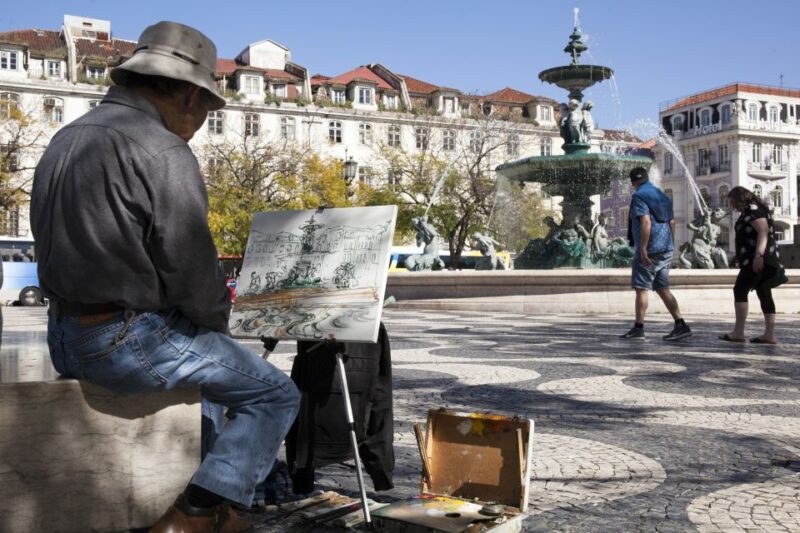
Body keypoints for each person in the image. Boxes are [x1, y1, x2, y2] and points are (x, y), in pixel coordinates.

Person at [30, 21, 300, 533]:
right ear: (184, 93)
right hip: (125, 341)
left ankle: (220, 505)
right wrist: (220, 321)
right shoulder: (161, 149)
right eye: (204, 107)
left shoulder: (67, 137)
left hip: (65, 335)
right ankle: (194, 516)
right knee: (273, 394)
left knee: (212, 379)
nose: (200, 122)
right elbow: (191, 270)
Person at [620, 167, 692, 341]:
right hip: (665, 248)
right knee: (662, 288)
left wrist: (643, 248)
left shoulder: (639, 196)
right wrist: (670, 244)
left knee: (641, 288)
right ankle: (681, 325)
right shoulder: (662, 195)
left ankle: (639, 328)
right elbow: (672, 223)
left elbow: (645, 222)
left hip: (649, 249)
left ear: (633, 183)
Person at [719, 186, 786, 344]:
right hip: (760, 258)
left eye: (733, 201)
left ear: (740, 198)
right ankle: (769, 335)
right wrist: (737, 256)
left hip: (758, 259)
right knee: (764, 292)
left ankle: (738, 332)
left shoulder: (754, 210)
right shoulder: (754, 210)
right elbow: (751, 236)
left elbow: (762, 232)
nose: (732, 205)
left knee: (740, 289)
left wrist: (758, 256)